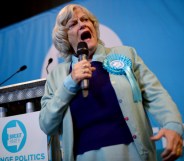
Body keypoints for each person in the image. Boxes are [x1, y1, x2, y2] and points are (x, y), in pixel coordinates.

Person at [39, 4, 183, 161]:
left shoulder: (126, 54)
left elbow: (155, 93)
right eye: (73, 24)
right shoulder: (56, 76)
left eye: (85, 19)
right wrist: (69, 84)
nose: (82, 24)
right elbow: (47, 124)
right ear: (65, 38)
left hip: (132, 155)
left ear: (93, 26)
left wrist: (172, 125)